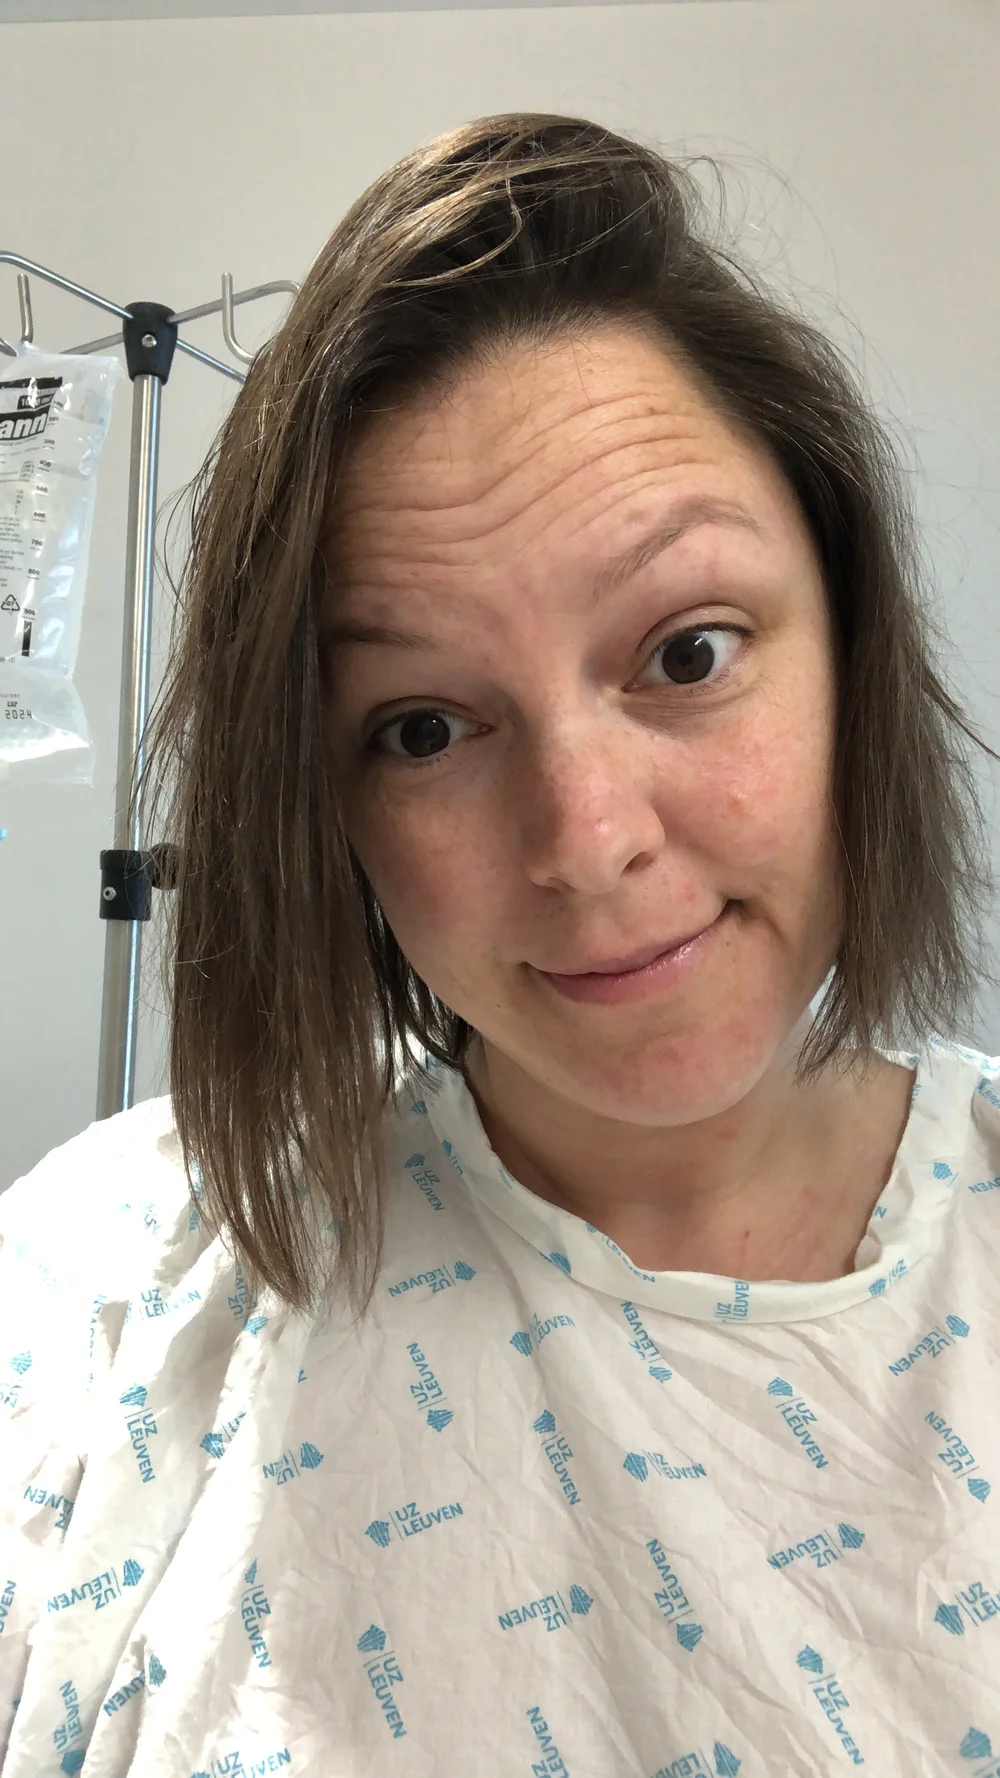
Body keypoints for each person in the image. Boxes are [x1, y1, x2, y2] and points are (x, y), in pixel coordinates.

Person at [2, 113, 999, 1778]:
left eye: (688, 651)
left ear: (853, 648)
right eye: (423, 728)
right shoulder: (98, 1285)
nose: (587, 841)